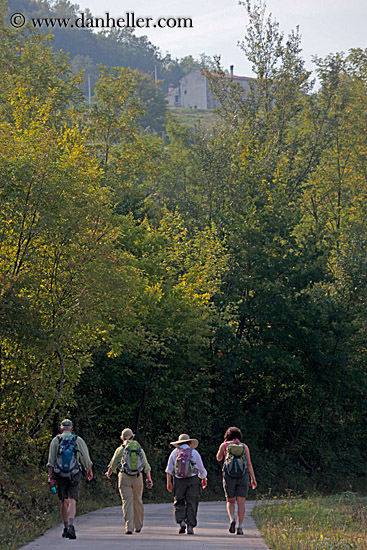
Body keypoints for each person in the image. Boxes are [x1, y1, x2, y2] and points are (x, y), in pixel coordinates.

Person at [47, 418, 93, 540]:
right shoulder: (77, 440)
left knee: (63, 500)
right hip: (74, 473)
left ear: (61, 428)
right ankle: (72, 525)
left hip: (60, 474)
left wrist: (50, 476)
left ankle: (65, 527)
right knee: (72, 499)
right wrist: (89, 470)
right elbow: (86, 459)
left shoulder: (56, 440)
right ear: (71, 428)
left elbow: (51, 461)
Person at [105, 428, 153, 535]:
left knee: (127, 502)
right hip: (137, 477)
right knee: (138, 501)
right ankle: (138, 526)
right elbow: (146, 465)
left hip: (124, 477)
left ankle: (129, 527)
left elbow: (113, 464)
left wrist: (109, 473)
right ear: (133, 437)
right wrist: (149, 478)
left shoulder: (120, 449)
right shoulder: (139, 449)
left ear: (122, 438)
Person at [216, 426, 257, 535]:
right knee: (241, 502)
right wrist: (253, 478)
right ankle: (240, 526)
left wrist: (223, 446)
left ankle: (232, 519)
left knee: (230, 501)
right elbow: (249, 464)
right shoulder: (244, 446)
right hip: (243, 476)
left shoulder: (224, 445)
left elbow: (219, 458)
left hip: (228, 476)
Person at [166, 433, 207, 535]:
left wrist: (169, 482)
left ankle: (181, 522)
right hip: (192, 479)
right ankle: (190, 526)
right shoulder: (194, 453)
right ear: (189, 442)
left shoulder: (174, 453)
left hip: (179, 480)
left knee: (179, 500)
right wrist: (204, 478)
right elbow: (201, 468)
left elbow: (169, 469)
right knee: (192, 502)